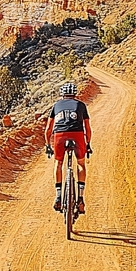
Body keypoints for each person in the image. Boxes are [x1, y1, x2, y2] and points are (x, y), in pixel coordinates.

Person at [45, 81, 92, 214]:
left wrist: (48, 145)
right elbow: (87, 128)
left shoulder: (56, 105)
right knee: (81, 163)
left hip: (60, 135)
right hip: (77, 135)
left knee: (58, 163)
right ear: (74, 94)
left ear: (62, 94)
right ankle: (81, 198)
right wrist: (87, 143)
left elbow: (48, 129)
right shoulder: (81, 105)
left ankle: (59, 196)